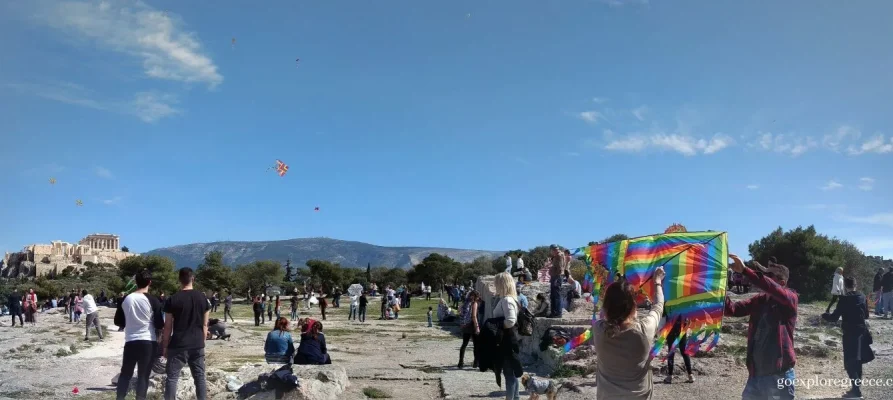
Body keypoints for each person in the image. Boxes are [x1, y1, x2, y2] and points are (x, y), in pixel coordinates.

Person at [724, 255, 798, 400]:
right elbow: (732, 310)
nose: (764, 277)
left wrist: (745, 271)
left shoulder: (790, 299)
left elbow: (771, 288)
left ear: (781, 282)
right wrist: (721, 288)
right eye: (764, 274)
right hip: (756, 373)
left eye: (769, 275)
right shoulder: (759, 300)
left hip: (778, 373)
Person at [593, 266, 665, 399]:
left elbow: (605, 315)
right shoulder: (644, 329)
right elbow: (658, 305)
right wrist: (657, 281)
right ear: (633, 306)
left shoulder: (599, 329)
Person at [114, 269, 165, 400]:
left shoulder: (126, 299)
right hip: (148, 341)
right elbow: (159, 324)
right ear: (150, 282)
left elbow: (118, 321)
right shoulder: (154, 300)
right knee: (143, 376)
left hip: (131, 341)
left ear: (135, 282)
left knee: (125, 374)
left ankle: (120, 398)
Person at [162, 267, 210, 400]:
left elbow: (167, 326)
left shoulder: (172, 299)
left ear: (179, 280)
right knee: (200, 377)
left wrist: (165, 346)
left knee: (172, 378)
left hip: (178, 344)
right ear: (193, 279)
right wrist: (202, 341)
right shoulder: (203, 298)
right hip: (197, 343)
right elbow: (205, 324)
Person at [822, 276, 873, 399]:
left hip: (850, 333)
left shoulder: (843, 300)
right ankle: (856, 388)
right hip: (862, 331)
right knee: (858, 360)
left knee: (850, 362)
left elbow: (834, 318)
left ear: (845, 286)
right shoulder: (862, 296)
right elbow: (866, 315)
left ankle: (856, 391)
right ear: (856, 285)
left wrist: (824, 315)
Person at [492, 272, 522, 400]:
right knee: (512, 374)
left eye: (496, 283)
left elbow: (510, 320)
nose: (495, 286)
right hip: (508, 339)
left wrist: (496, 326)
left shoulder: (507, 300)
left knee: (509, 374)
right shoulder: (510, 299)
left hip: (506, 340)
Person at [662, 316, 694, 384]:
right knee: (684, 351)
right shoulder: (684, 305)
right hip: (681, 326)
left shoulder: (667, 304)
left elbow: (664, 314)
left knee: (672, 352)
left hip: (672, 327)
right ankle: (690, 375)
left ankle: (670, 376)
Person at [458, 290, 481, 369]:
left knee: (464, 344)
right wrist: (477, 327)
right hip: (472, 325)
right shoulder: (474, 304)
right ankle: (476, 363)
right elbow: (474, 316)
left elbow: (459, 312)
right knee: (476, 345)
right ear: (475, 297)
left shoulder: (465, 302)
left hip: (465, 325)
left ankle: (460, 362)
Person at [547, 245, 567, 318]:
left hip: (557, 277)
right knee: (554, 295)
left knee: (556, 295)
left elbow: (560, 267)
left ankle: (557, 313)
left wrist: (552, 270)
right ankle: (554, 312)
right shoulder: (559, 255)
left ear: (553, 250)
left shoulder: (559, 256)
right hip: (556, 276)